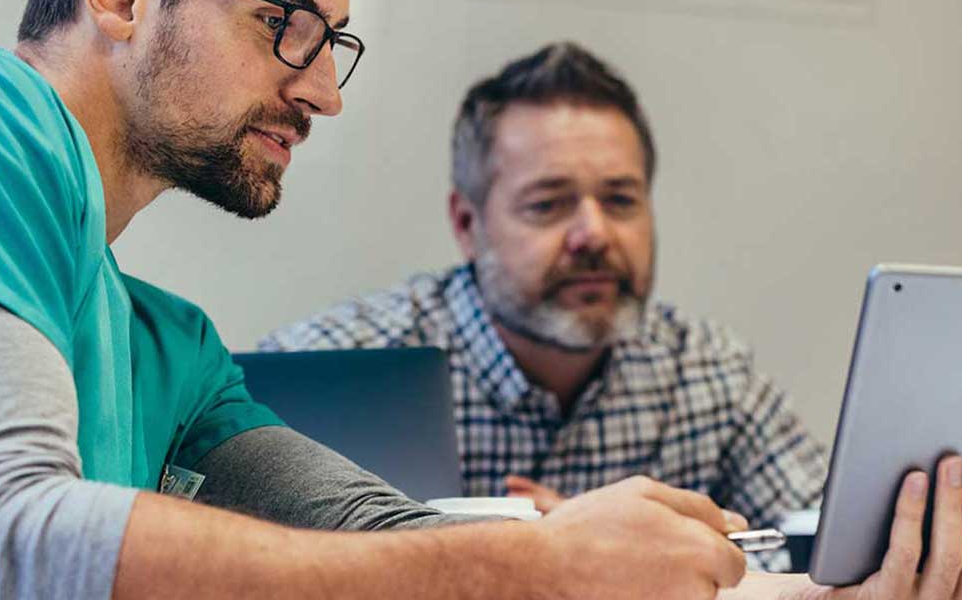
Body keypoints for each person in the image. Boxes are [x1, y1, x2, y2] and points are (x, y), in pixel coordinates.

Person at [0, 0, 962, 598]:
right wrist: (535, 559)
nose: (320, 87)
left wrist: (592, 547)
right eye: (285, 20)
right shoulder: (5, 125)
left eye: (331, 41)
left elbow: (381, 534)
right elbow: (16, 532)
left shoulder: (169, 347)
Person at [262, 42, 828, 571]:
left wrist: (645, 554)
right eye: (549, 204)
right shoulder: (327, 369)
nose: (594, 234)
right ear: (467, 224)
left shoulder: (710, 372)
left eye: (620, 200)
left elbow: (831, 553)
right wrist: (539, 558)